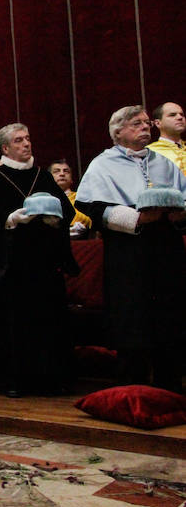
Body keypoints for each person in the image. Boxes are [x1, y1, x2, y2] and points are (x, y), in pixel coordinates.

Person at [75, 105, 186, 393]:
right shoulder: (102, 164)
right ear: (118, 131)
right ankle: (132, 388)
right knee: (132, 316)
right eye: (136, 123)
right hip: (128, 250)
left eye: (146, 122)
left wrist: (179, 216)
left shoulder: (164, 163)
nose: (145, 127)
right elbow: (90, 206)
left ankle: (170, 386)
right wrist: (136, 219)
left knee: (169, 314)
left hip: (166, 247)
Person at [0, 123, 78, 397]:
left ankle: (51, 377)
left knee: (48, 320)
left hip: (44, 263)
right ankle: (12, 380)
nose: (26, 144)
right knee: (13, 323)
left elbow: (67, 211)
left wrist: (55, 220)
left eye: (28, 139)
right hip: (11, 266)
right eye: (19, 140)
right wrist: (9, 220)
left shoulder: (43, 176)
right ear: (5, 148)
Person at [49, 160, 93, 238]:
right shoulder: (43, 200)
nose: (62, 174)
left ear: (71, 179)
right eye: (56, 171)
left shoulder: (83, 198)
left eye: (66, 171)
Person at [147, 102, 185, 175]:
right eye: (172, 115)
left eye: (182, 114)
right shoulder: (150, 152)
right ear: (158, 123)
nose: (180, 117)